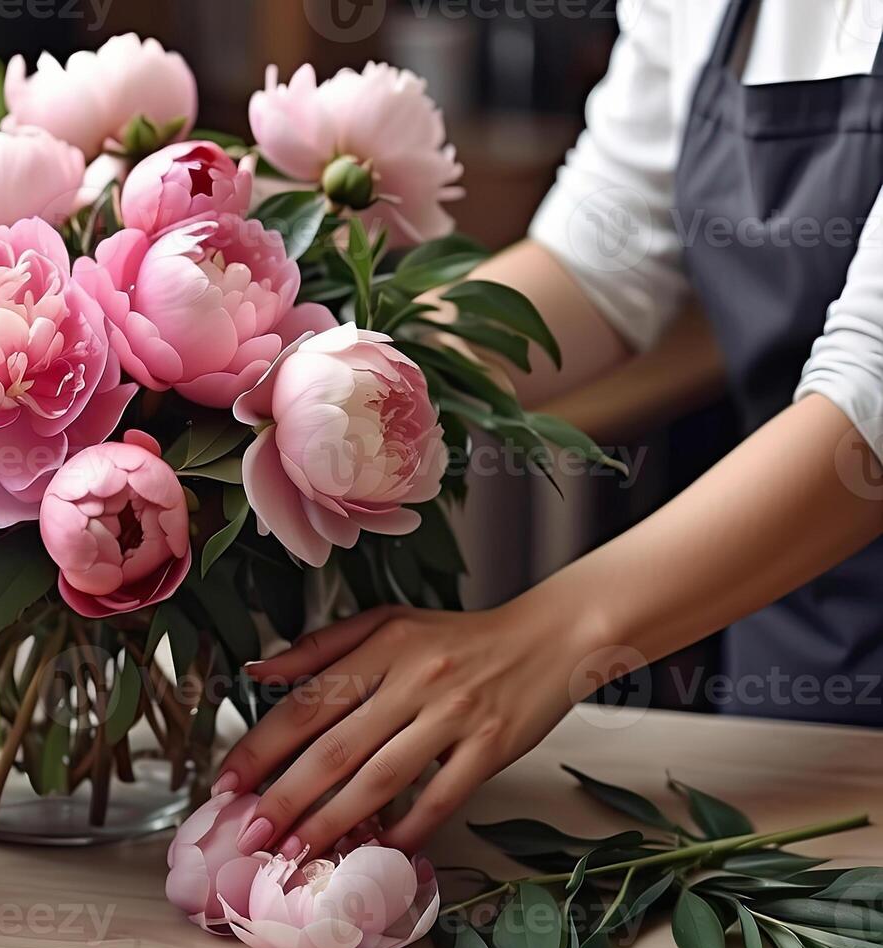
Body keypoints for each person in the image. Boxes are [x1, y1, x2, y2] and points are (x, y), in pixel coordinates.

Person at [213, 0, 883, 862]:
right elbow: (604, 261)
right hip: (798, 662)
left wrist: (544, 639)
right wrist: (295, 392)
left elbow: (870, 398)